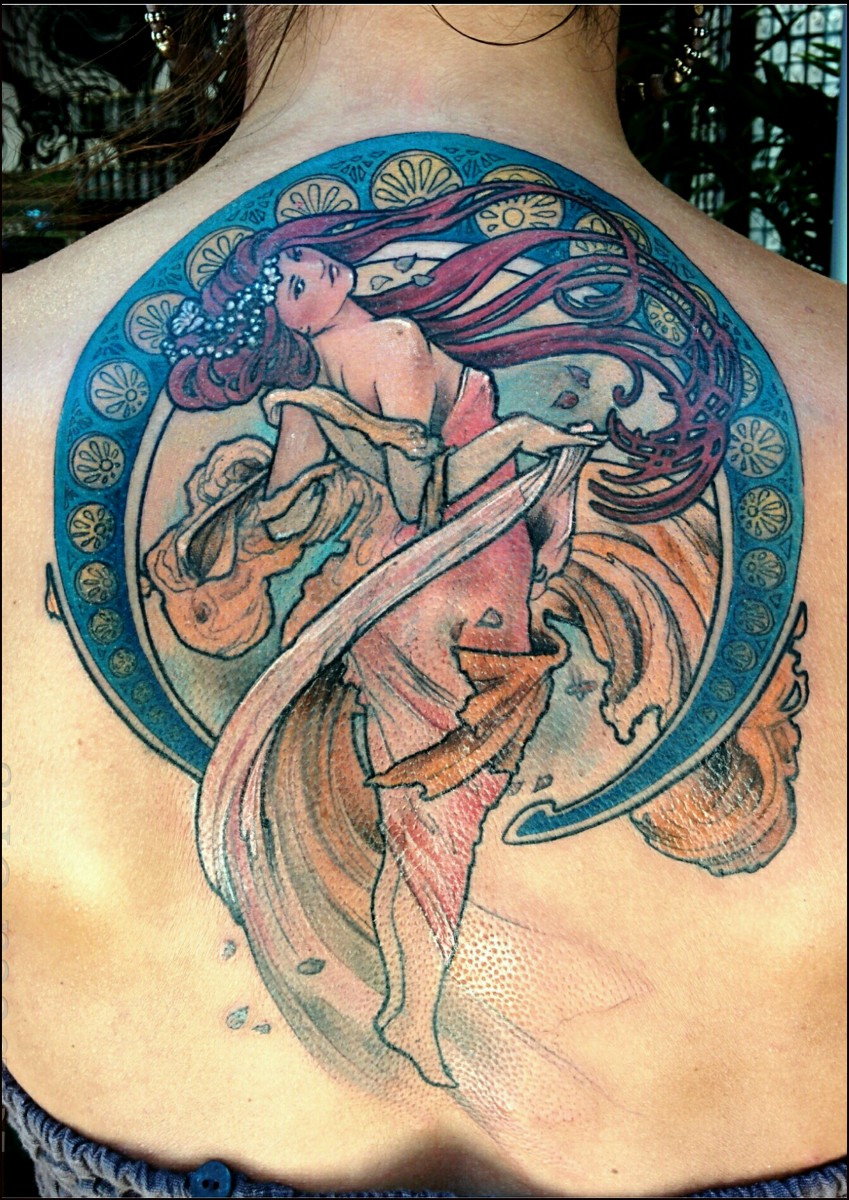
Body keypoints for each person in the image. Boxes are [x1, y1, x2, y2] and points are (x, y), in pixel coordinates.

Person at [3, 6, 846, 1198]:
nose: (288, 287)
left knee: (429, 816)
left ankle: (411, 1003)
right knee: (425, 818)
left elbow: (428, 461)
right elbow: (397, 471)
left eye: (300, 274)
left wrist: (377, 454)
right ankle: (411, 1001)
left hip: (439, 584)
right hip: (436, 584)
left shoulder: (348, 358)